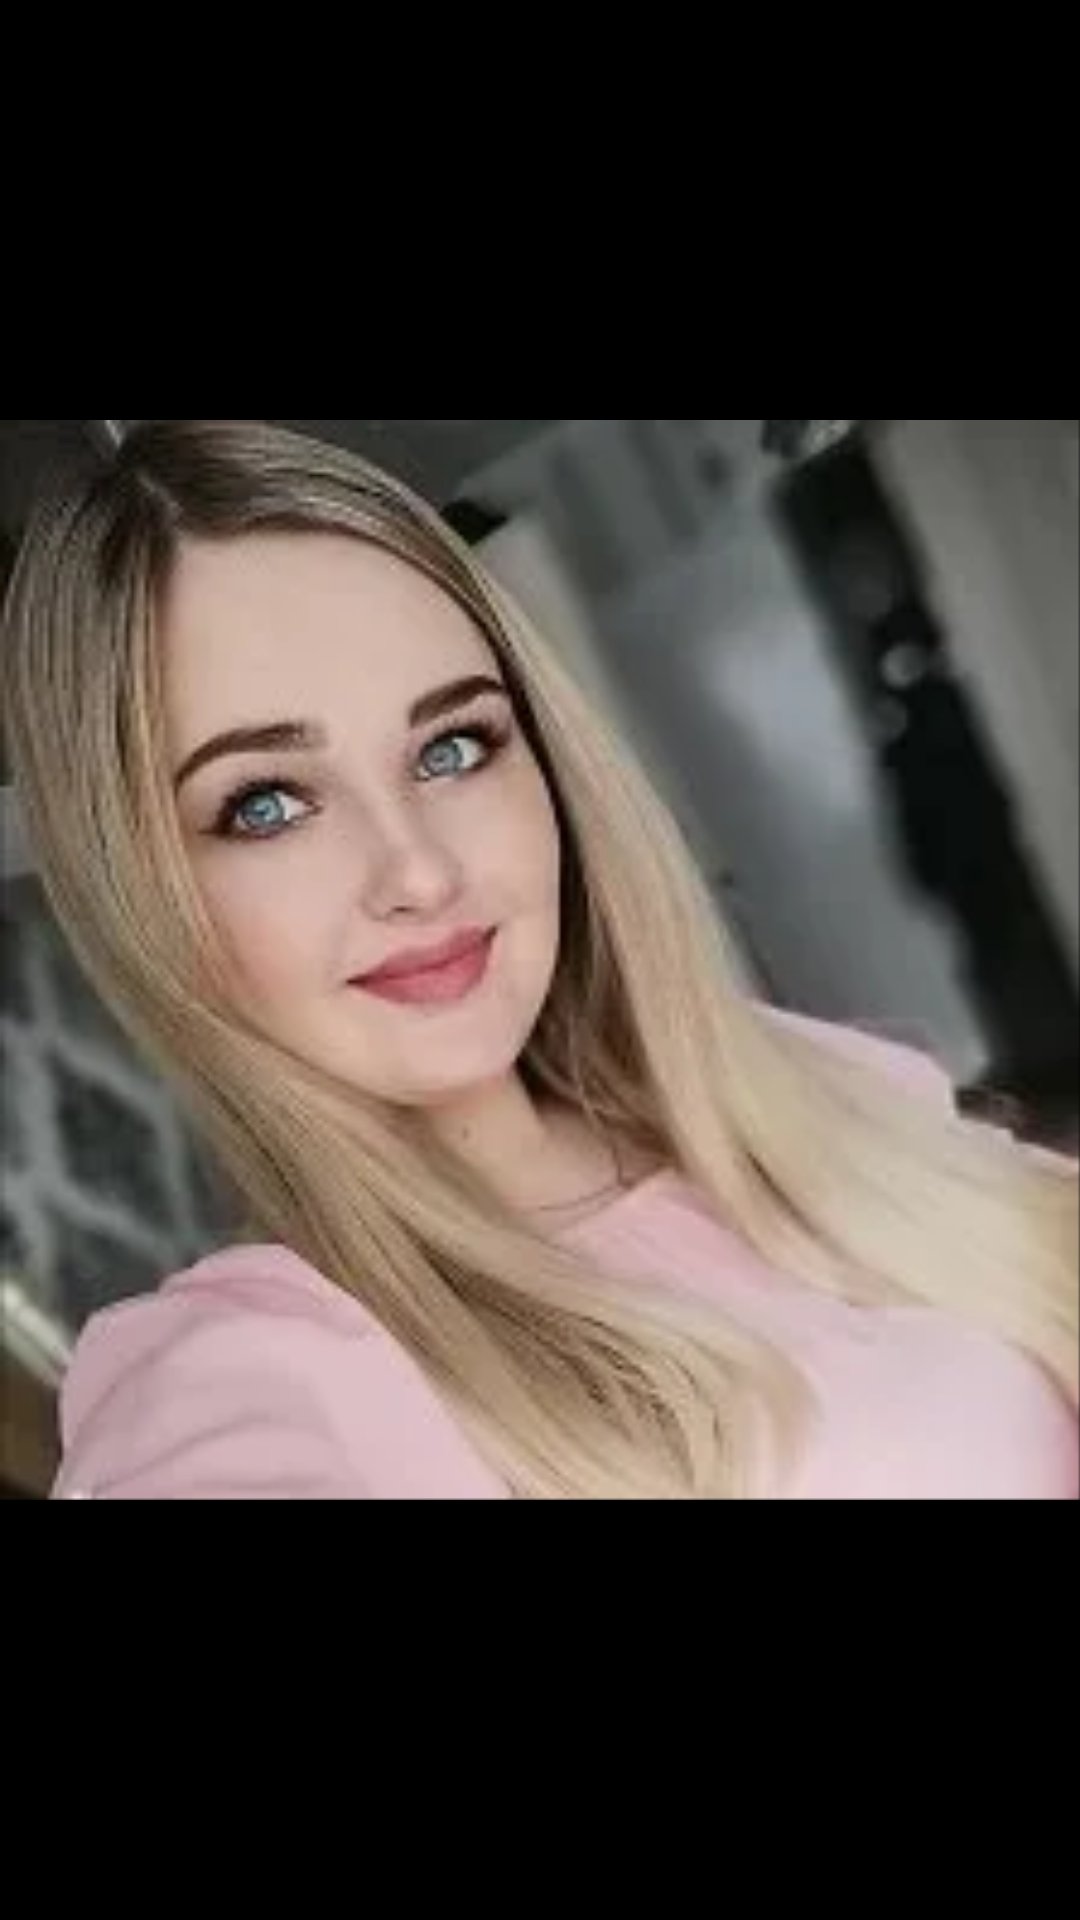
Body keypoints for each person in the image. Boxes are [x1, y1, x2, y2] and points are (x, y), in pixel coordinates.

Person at [2, 420, 1075, 1501]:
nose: (420, 872)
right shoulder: (240, 1379)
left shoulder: (788, 1086)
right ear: (142, 890)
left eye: (452, 747)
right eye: (266, 805)